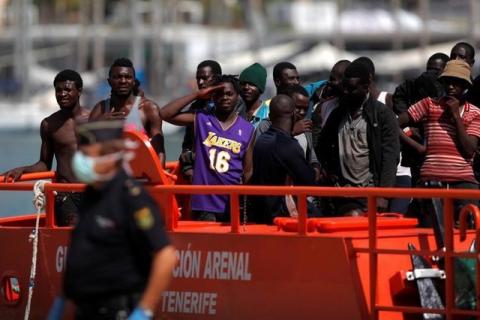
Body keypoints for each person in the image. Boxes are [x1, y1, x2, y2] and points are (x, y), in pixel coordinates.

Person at [62, 120, 176, 320]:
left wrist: (144, 311)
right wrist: (60, 302)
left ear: (111, 158)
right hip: (85, 309)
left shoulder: (131, 198)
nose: (80, 161)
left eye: (88, 156)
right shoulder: (91, 194)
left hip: (118, 310)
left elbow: (166, 255)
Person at [160, 75, 255, 222]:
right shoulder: (202, 118)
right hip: (204, 204)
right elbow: (165, 114)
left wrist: (244, 203)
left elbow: (248, 171)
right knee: (206, 245)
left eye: (229, 94)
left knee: (230, 245)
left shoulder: (247, 129)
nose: (225, 98)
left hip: (231, 203)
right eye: (219, 94)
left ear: (237, 97)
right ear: (212, 97)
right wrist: (198, 94)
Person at [2, 69, 89, 226]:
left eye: (67, 89)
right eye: (58, 90)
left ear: (79, 91)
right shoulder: (49, 124)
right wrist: (22, 169)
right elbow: (44, 164)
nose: (62, 94)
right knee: (72, 239)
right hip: (65, 194)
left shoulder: (95, 120)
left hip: (92, 192)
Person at [398, 60, 480, 222]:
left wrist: (456, 117)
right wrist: (418, 147)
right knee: (428, 232)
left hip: (463, 183)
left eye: (456, 83)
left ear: (465, 86)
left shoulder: (475, 113)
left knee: (467, 234)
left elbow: (469, 149)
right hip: (431, 179)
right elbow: (394, 124)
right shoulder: (429, 104)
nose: (451, 86)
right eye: (447, 82)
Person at [316, 61, 399, 216]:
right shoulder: (338, 114)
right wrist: (330, 171)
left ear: (366, 87)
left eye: (352, 89)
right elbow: (322, 145)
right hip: (342, 193)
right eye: (345, 87)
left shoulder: (381, 115)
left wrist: (384, 195)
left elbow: (390, 156)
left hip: (370, 193)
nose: (346, 92)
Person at [249, 94, 316, 224]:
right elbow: (309, 182)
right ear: (293, 115)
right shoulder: (288, 145)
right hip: (283, 216)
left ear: (271, 116)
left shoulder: (261, 141)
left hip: (261, 214)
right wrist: (315, 169)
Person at [89, 58, 165, 165]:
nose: (123, 81)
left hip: (140, 177)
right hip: (110, 177)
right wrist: (100, 124)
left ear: (134, 81)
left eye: (127, 77)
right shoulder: (100, 109)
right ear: (109, 81)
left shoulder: (148, 108)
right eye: (118, 77)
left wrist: (160, 178)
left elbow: (159, 151)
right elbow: (85, 147)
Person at [178, 60, 223, 181]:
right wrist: (187, 168)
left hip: (223, 173)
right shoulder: (196, 106)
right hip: (199, 175)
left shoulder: (233, 104)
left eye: (204, 78)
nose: (200, 82)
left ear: (217, 78)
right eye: (198, 79)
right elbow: (187, 143)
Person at [237, 62, 269, 127]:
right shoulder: (233, 112)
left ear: (260, 89)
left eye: (251, 84)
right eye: (243, 83)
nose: (246, 87)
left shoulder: (269, 114)